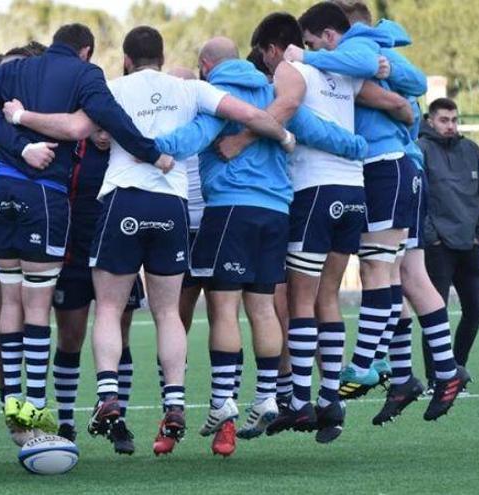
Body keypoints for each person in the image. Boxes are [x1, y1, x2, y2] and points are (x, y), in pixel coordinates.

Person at [4, 25, 296, 455]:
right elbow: (251, 115)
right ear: (161, 58)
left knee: (107, 306)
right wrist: (285, 136)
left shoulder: (112, 88)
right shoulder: (191, 89)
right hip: (171, 205)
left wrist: (20, 117)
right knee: (166, 313)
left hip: (123, 200)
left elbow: (72, 127)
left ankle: (107, 398)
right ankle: (175, 402)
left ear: (125, 59)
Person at [0, 23, 172, 441]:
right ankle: (36, 409)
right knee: (38, 308)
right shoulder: (85, 75)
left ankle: (8, 402)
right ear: (85, 52)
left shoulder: (12, 72)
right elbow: (111, 116)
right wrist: (152, 152)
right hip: (42, 197)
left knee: (10, 301)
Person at [156, 36, 368, 454]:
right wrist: (359, 146)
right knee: (263, 306)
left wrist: (147, 146)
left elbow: (195, 136)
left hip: (231, 208)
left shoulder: (216, 94)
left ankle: (222, 403)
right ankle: (269, 395)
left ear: (205, 65)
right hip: (277, 211)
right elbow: (316, 130)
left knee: (223, 308)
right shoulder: (274, 90)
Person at [227, 11, 412, 442]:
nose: (266, 67)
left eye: (263, 57)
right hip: (353, 192)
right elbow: (392, 98)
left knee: (300, 298)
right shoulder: (337, 72)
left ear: (273, 48)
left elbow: (292, 112)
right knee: (329, 295)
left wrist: (247, 136)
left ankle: (301, 401)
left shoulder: (292, 70)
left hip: (315, 190)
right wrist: (406, 116)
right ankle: (333, 400)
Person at [293, 1, 470, 422]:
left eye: (313, 40)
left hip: (384, 168)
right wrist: (398, 103)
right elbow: (408, 96)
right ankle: (420, 371)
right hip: (402, 167)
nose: (309, 48)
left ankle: (366, 363)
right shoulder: (374, 55)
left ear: (337, 33)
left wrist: (308, 58)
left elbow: (390, 87)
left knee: (379, 270)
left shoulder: (359, 50)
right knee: (404, 274)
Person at [51, 127, 146, 454]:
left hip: (119, 251)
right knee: (70, 336)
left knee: (122, 332)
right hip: (74, 255)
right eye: (98, 126)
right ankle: (66, 422)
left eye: (110, 125)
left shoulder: (127, 145)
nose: (105, 134)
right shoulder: (71, 145)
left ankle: (117, 416)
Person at [420, 97, 479, 392]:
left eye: (454, 120)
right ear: (430, 120)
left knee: (475, 311)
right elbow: (418, 197)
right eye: (444, 120)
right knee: (435, 314)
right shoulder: (421, 149)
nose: (450, 126)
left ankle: (454, 370)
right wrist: (431, 237)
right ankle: (435, 377)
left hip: (470, 245)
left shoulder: (471, 150)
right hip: (438, 247)